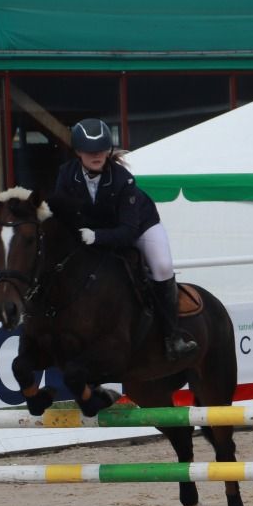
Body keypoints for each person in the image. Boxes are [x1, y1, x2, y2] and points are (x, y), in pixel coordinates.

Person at [54, 117, 197, 360]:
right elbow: (60, 211)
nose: (96, 155)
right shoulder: (66, 175)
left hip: (140, 227)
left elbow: (128, 231)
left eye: (101, 150)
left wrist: (95, 236)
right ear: (78, 152)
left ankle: (173, 336)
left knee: (162, 267)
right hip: (95, 231)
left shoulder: (123, 179)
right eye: (90, 151)